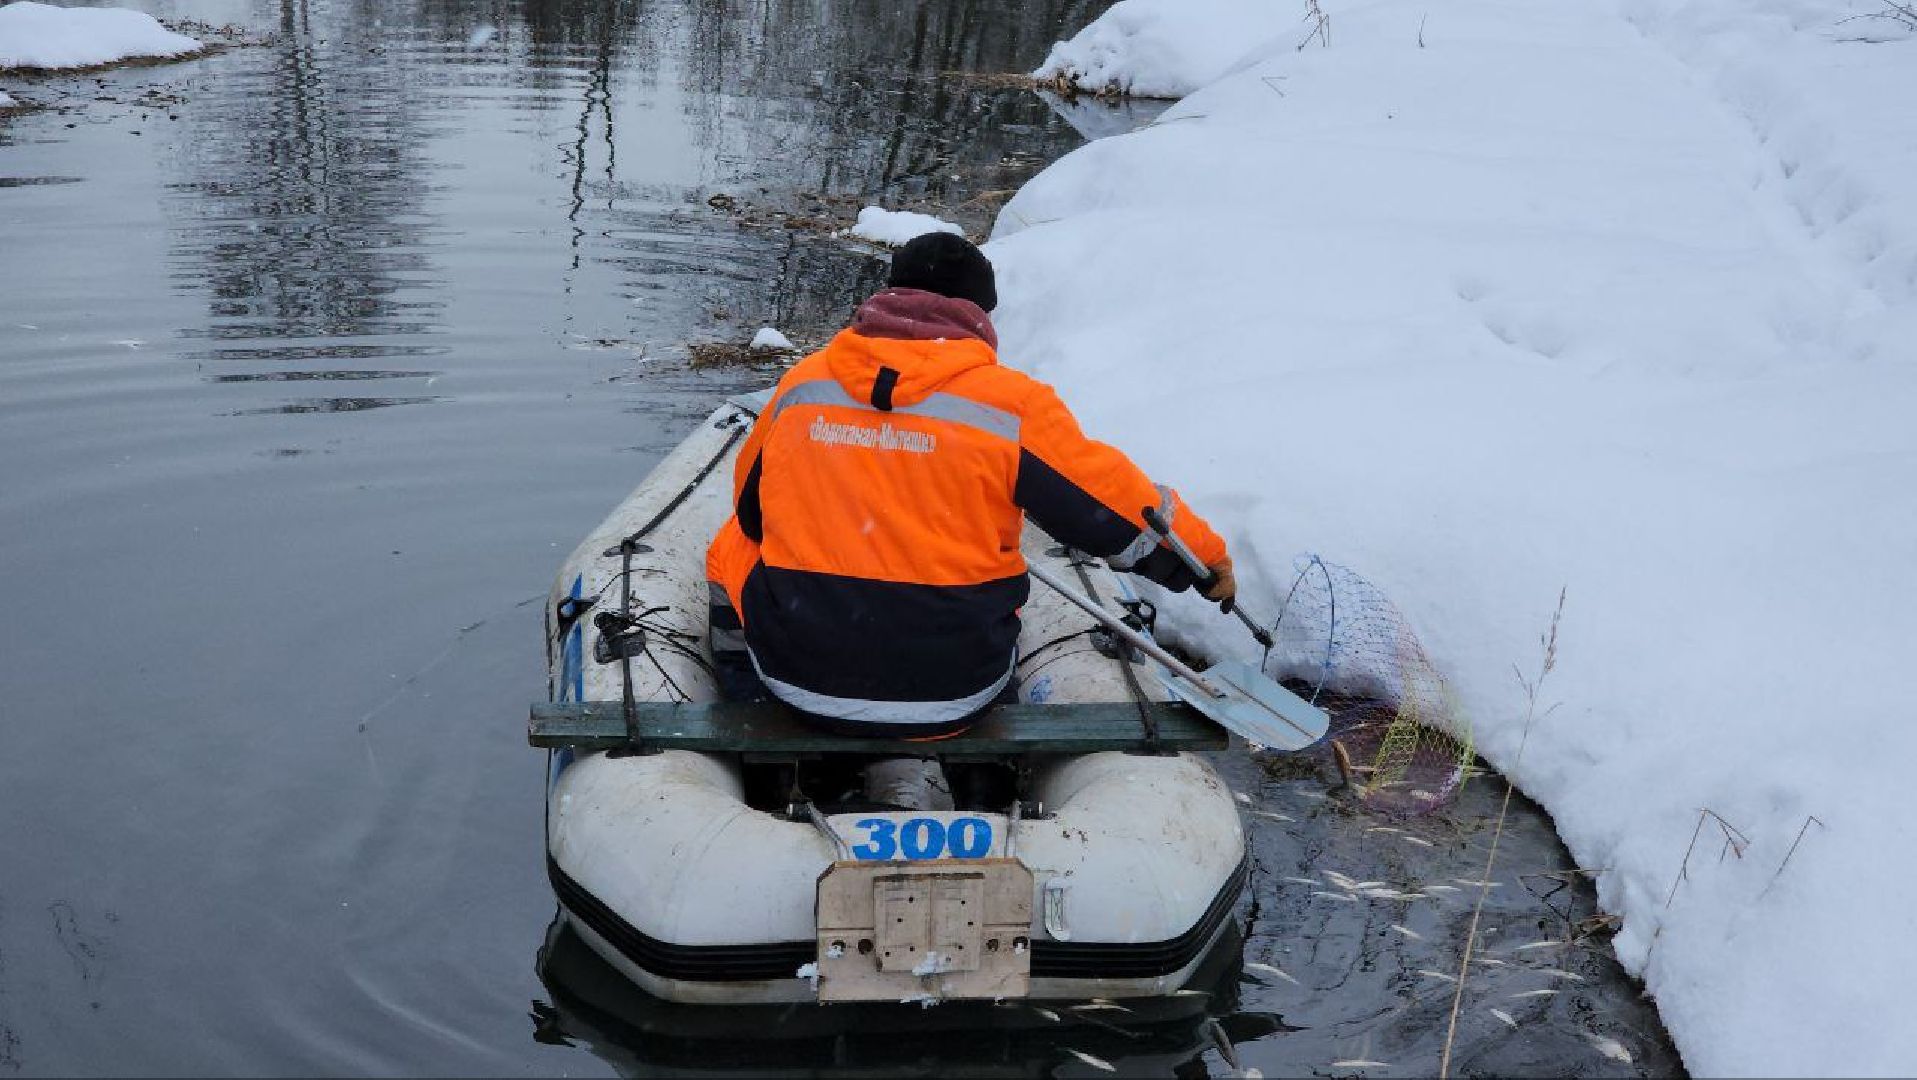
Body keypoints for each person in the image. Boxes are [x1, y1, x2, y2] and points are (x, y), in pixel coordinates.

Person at [705, 232, 1234, 739]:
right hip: (954, 691)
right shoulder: (1011, 405)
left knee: (730, 543)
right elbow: (1114, 508)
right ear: (981, 313)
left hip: (802, 683)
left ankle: (744, 697)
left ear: (889, 294)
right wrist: (1203, 560)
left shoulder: (804, 384)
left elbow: (751, 511)